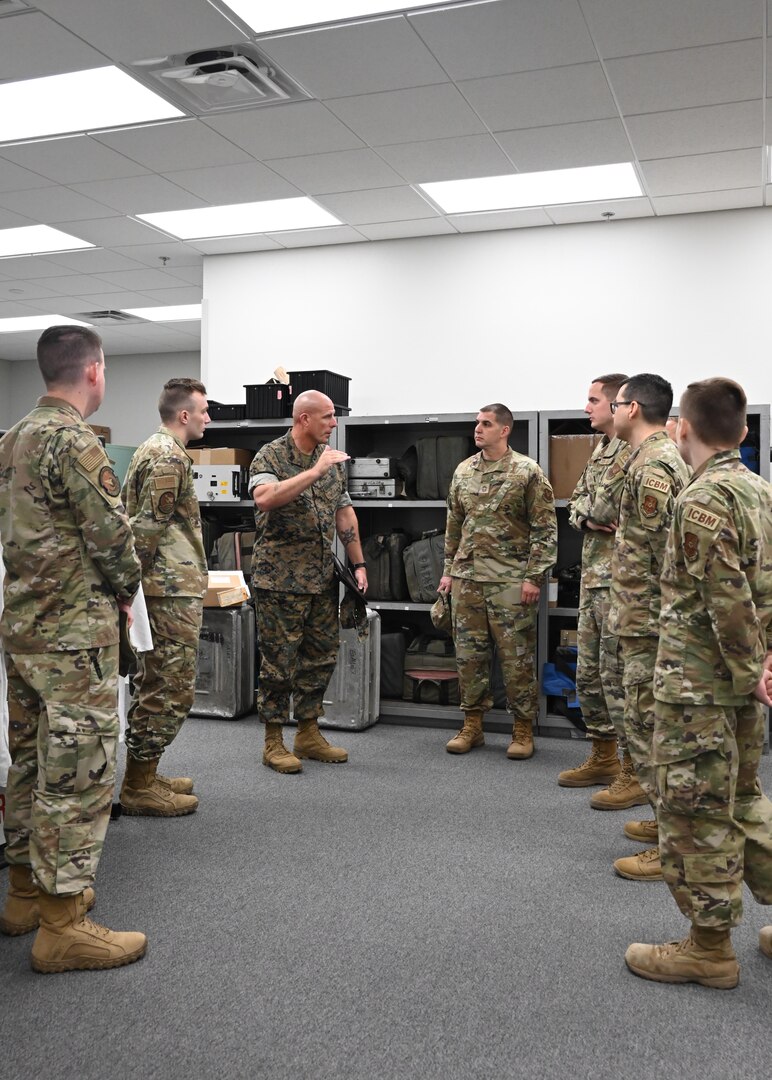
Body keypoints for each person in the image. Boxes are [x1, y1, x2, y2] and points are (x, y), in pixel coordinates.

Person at [0, 325, 146, 972]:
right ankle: (63, 925)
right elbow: (114, 544)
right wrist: (127, 592)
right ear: (94, 372)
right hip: (72, 637)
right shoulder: (75, 443)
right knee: (78, 769)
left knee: (30, 761)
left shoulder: (11, 440)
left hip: (24, 627)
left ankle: (23, 894)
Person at [625, 378, 772, 989]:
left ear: (682, 427)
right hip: (743, 681)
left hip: (700, 691)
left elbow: (726, 597)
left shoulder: (702, 498)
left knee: (695, 815)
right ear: (741, 432)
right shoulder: (758, 488)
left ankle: (709, 949)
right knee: (743, 801)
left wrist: (745, 674)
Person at [598, 374, 690, 881]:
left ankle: (670, 846)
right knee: (643, 722)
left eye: (613, 403)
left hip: (650, 621)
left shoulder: (654, 464)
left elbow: (661, 556)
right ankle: (662, 825)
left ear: (631, 408)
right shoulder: (644, 458)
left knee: (651, 727)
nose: (609, 410)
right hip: (639, 617)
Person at [249, 390, 367, 773]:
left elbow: (344, 515)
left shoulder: (331, 461)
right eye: (328, 417)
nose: (334, 423)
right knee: (278, 663)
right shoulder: (270, 455)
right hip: (279, 581)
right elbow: (265, 498)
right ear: (304, 419)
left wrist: (358, 564)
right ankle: (273, 740)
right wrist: (313, 472)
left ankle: (308, 732)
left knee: (320, 657)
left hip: (321, 578)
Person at [439, 404, 557, 759]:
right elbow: (453, 525)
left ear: (504, 430)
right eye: (477, 423)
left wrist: (534, 576)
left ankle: (522, 730)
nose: (478, 429)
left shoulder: (527, 471)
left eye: (486, 424)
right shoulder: (463, 470)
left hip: (510, 580)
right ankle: (472, 726)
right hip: (466, 578)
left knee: (516, 658)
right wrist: (447, 571)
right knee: (469, 657)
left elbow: (545, 529)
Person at [119, 379, 209, 816]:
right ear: (185, 415)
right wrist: (127, 590)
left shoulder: (155, 449)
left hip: (166, 587)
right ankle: (138, 786)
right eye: (204, 411)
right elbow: (146, 530)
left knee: (155, 681)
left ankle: (146, 772)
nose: (209, 418)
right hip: (166, 590)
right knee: (168, 686)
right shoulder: (168, 457)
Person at [558, 374, 642, 809]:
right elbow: (577, 506)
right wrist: (586, 519)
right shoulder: (602, 451)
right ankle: (604, 756)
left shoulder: (638, 453)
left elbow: (608, 506)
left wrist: (592, 511)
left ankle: (633, 770)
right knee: (589, 676)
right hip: (594, 580)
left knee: (621, 680)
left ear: (618, 405)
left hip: (624, 584)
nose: (586, 408)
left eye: (593, 400)